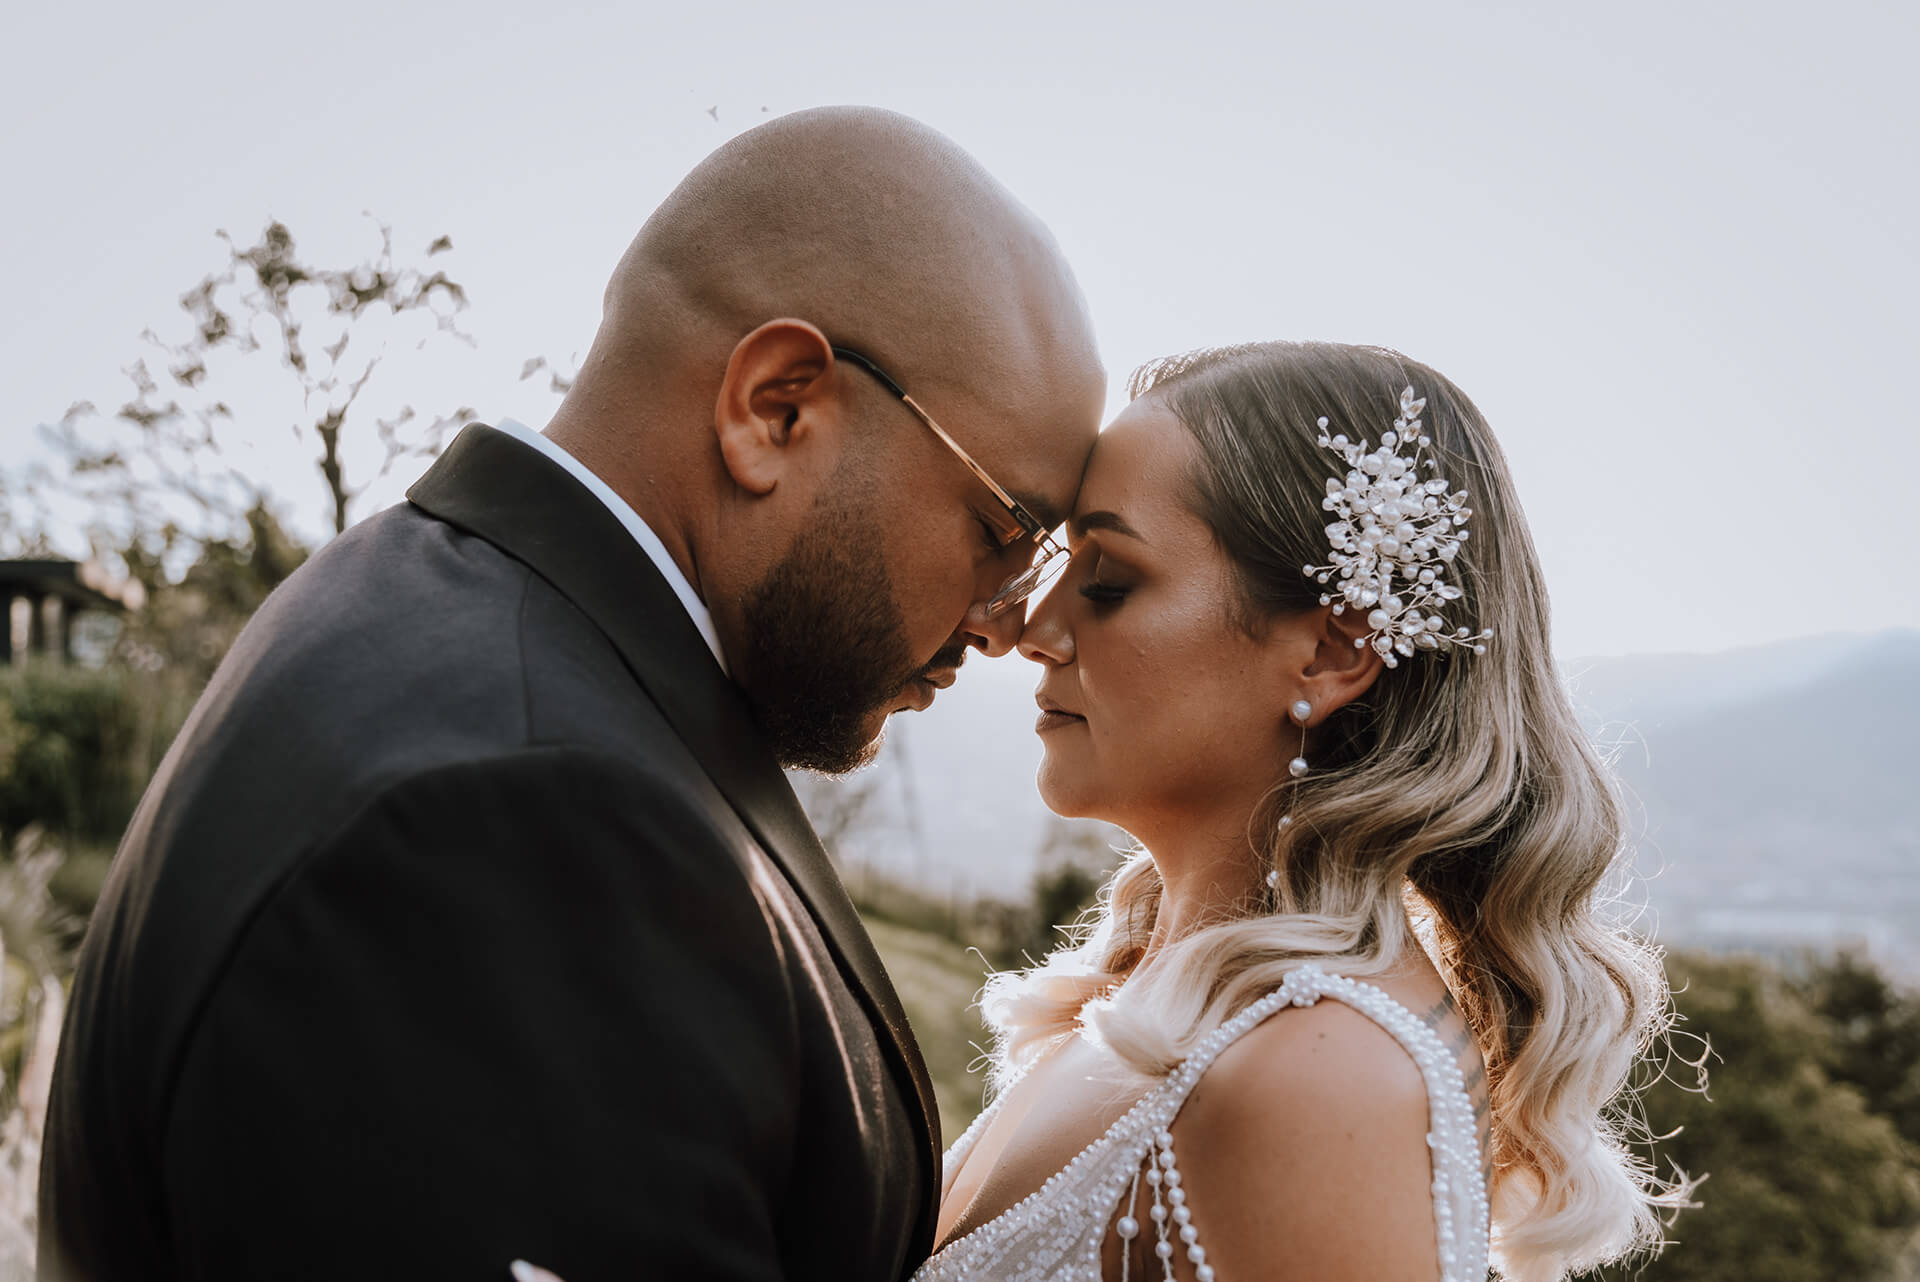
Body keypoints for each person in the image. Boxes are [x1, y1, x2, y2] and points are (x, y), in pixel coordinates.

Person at [38, 107, 1105, 1282]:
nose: (1010, 619)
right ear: (776, 408)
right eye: (1006, 527)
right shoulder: (520, 823)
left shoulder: (429, 598)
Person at [916, 342, 1691, 1282]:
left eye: (1109, 580)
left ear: (1328, 654)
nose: (1036, 632)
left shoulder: (1318, 1074)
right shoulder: (1163, 998)